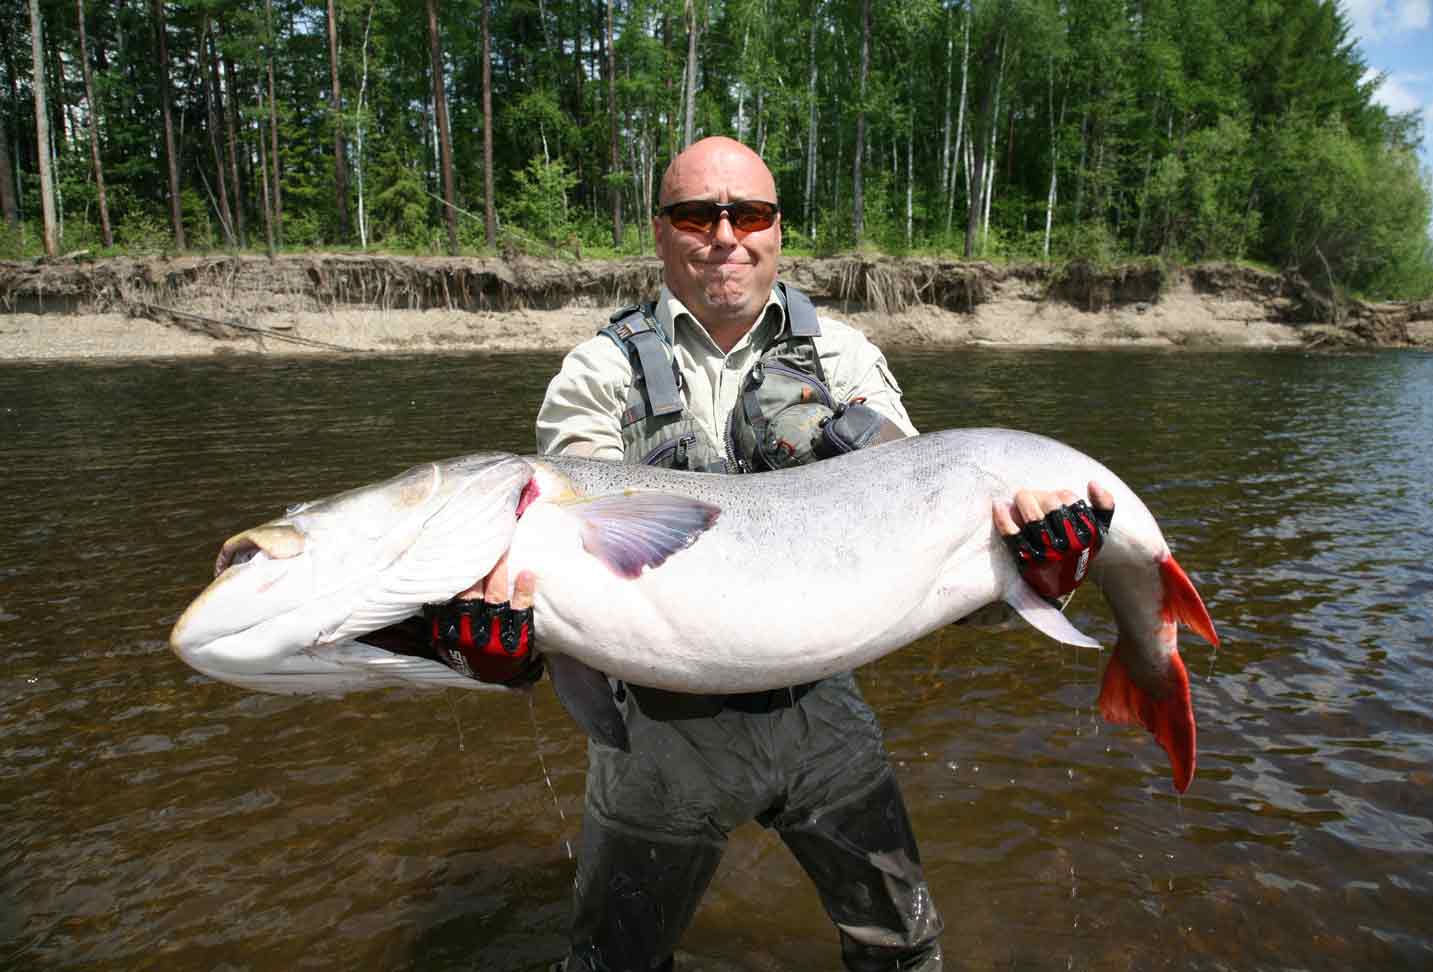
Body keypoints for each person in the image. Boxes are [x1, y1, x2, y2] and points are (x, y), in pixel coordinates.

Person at [430, 136, 1113, 971]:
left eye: (748, 213)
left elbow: (924, 532)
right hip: (659, 728)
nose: (726, 235)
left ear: (778, 229)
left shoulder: (846, 358)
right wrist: (507, 648)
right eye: (697, 214)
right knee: (614, 963)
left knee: (903, 947)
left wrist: (1038, 569)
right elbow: (554, 557)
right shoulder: (597, 373)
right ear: (660, 233)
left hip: (821, 709)